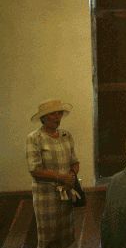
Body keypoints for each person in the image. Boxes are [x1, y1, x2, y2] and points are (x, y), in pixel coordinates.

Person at [26, 99, 80, 248]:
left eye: (59, 113)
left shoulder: (66, 135)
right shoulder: (34, 138)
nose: (57, 117)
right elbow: (35, 170)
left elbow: (75, 162)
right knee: (48, 237)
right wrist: (61, 177)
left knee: (66, 235)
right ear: (43, 118)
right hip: (46, 196)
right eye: (53, 114)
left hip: (66, 193)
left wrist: (71, 175)